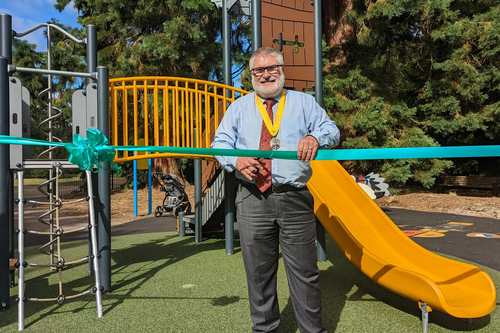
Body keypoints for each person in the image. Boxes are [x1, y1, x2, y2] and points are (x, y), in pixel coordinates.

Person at [211, 46, 340, 333]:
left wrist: (314, 136)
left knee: (305, 273)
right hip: (251, 198)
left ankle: (311, 331)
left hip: (294, 198)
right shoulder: (239, 107)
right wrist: (235, 159)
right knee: (258, 274)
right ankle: (265, 329)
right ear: (251, 75)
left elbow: (331, 129)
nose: (266, 74)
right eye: (259, 70)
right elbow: (219, 144)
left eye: (272, 68)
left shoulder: (304, 103)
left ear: (282, 71)